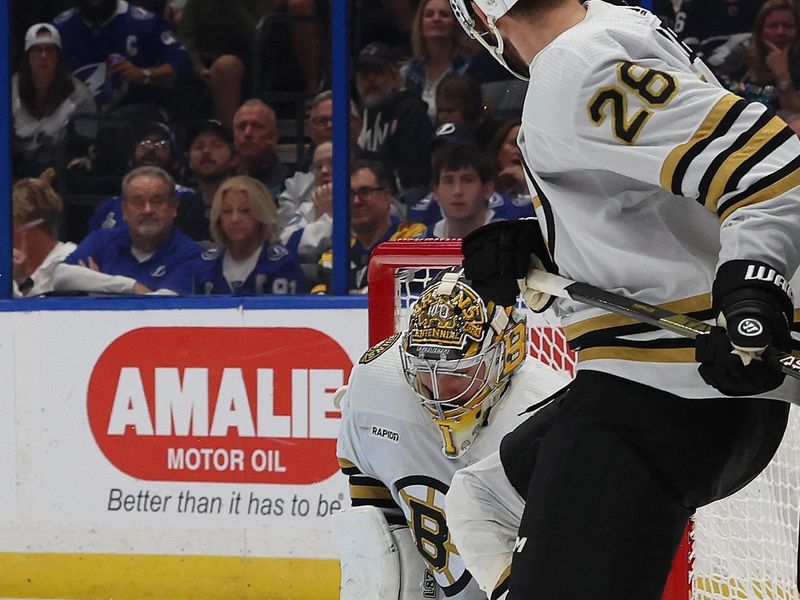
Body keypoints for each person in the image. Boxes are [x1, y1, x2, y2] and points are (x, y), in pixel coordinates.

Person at [449, 0, 800, 598]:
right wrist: (550, 246)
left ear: (480, 19)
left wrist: (753, 291)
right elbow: (664, 199)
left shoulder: (574, 64)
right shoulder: (624, 29)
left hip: (662, 396)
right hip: (708, 392)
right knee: (483, 499)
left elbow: (768, 167)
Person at [333, 269, 571, 599]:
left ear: (506, 354)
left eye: (456, 373)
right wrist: (389, 564)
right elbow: (365, 467)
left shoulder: (549, 413)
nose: (438, 391)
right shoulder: (380, 382)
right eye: (424, 370)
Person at [54, 165, 203, 295]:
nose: (147, 210)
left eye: (157, 201)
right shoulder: (101, 240)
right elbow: (60, 277)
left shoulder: (192, 254)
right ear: (124, 210)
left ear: (173, 208)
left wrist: (95, 284)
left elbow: (160, 305)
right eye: (138, 202)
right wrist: (131, 287)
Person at [52, 0, 193, 116]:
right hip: (72, 116)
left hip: (134, 114)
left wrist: (144, 74)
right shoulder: (60, 28)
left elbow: (182, 63)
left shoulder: (145, 23)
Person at [311, 159, 427, 294]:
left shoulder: (414, 239)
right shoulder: (333, 257)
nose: (356, 201)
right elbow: (320, 306)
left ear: (387, 196)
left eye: (365, 191)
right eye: (349, 194)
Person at [87, 122, 207, 241]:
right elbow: (88, 251)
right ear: (130, 160)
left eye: (161, 144)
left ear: (175, 162)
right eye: (144, 144)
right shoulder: (109, 205)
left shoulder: (188, 200)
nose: (151, 148)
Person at [193, 176, 305, 295]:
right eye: (227, 211)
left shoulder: (283, 264)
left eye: (245, 210)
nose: (234, 219)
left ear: (262, 214)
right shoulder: (206, 265)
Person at [12, 23, 97, 179]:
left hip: (60, 169)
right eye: (37, 50)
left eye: (49, 49)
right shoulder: (9, 89)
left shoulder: (78, 93)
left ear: (58, 55)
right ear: (28, 55)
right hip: (15, 166)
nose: (43, 56)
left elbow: (85, 141)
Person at [355, 41, 436, 200]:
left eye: (378, 72)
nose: (371, 79)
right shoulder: (357, 114)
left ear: (395, 77)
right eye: (365, 74)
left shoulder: (410, 111)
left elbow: (415, 175)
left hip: (403, 199)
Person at [177, 0, 270, 128]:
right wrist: (198, 67)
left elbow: (258, 37)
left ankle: (228, 137)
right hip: (203, 60)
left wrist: (233, 4)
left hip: (249, 62)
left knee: (227, 65)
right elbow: (186, 36)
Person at [717, 0, 800, 113]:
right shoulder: (741, 56)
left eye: (788, 26)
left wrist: (782, 75)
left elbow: (795, 112)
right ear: (760, 30)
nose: (780, 32)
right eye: (772, 26)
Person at [401, 0, 472, 122]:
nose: (436, 19)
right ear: (420, 25)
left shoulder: (469, 68)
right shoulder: (407, 72)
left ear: (456, 25)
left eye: (444, 14)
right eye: (429, 14)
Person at [12, 168, 78, 297]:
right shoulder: (6, 268)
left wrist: (23, 281)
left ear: (30, 228)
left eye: (12, 226)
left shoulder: (73, 259)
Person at [428, 141, 507, 238]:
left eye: (467, 180)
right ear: (436, 192)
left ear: (487, 190)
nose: (457, 191)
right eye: (448, 181)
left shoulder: (510, 239)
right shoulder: (421, 241)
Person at [184, 118, 237, 232]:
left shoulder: (250, 205)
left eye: (216, 146)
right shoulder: (180, 209)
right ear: (189, 161)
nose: (206, 151)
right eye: (199, 146)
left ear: (233, 158)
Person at [232, 98, 289, 199]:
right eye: (241, 126)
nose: (247, 133)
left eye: (257, 126)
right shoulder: (223, 179)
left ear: (273, 136)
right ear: (234, 136)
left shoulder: (289, 184)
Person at [435, 73, 501, 147]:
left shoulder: (495, 136)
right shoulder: (440, 136)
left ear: (469, 110)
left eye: (450, 111)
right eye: (440, 111)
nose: (442, 117)